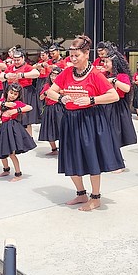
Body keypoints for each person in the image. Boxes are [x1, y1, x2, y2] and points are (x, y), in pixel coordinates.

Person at [46, 35, 123, 211]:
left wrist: (92, 100)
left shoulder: (95, 74)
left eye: (76, 56)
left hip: (90, 120)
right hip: (70, 120)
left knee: (91, 158)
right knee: (72, 157)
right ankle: (80, 193)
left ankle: (95, 197)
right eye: (71, 56)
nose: (73, 59)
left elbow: (114, 95)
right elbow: (50, 92)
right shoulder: (66, 72)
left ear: (87, 54)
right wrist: (61, 97)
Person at [0, 83, 36, 181]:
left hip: (12, 128)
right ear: (7, 92)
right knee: (1, 151)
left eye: (15, 94)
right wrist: (4, 104)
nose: (12, 95)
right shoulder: (3, 101)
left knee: (11, 153)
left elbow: (29, 107)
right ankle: (6, 169)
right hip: (3, 128)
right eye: (11, 93)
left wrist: (17, 110)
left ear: (18, 96)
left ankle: (18, 174)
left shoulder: (17, 103)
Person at [0, 49, 40, 134]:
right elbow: (1, 77)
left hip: (25, 92)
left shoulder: (27, 67)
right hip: (12, 93)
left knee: (26, 119)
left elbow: (36, 73)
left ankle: (29, 139)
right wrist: (7, 76)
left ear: (23, 58)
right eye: (15, 60)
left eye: (18, 60)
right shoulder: (10, 67)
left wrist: (23, 75)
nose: (16, 62)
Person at [103, 49, 138, 148]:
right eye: (104, 62)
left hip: (117, 107)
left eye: (107, 62)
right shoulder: (104, 75)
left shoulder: (122, 76)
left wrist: (114, 81)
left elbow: (127, 88)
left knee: (116, 134)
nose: (104, 64)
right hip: (106, 105)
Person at [38, 66, 64, 155]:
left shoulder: (63, 85)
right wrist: (46, 93)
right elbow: (41, 98)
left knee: (62, 129)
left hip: (59, 108)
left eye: (56, 75)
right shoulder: (46, 85)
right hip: (49, 109)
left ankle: (64, 149)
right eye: (52, 75)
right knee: (49, 129)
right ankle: (54, 149)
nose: (53, 78)